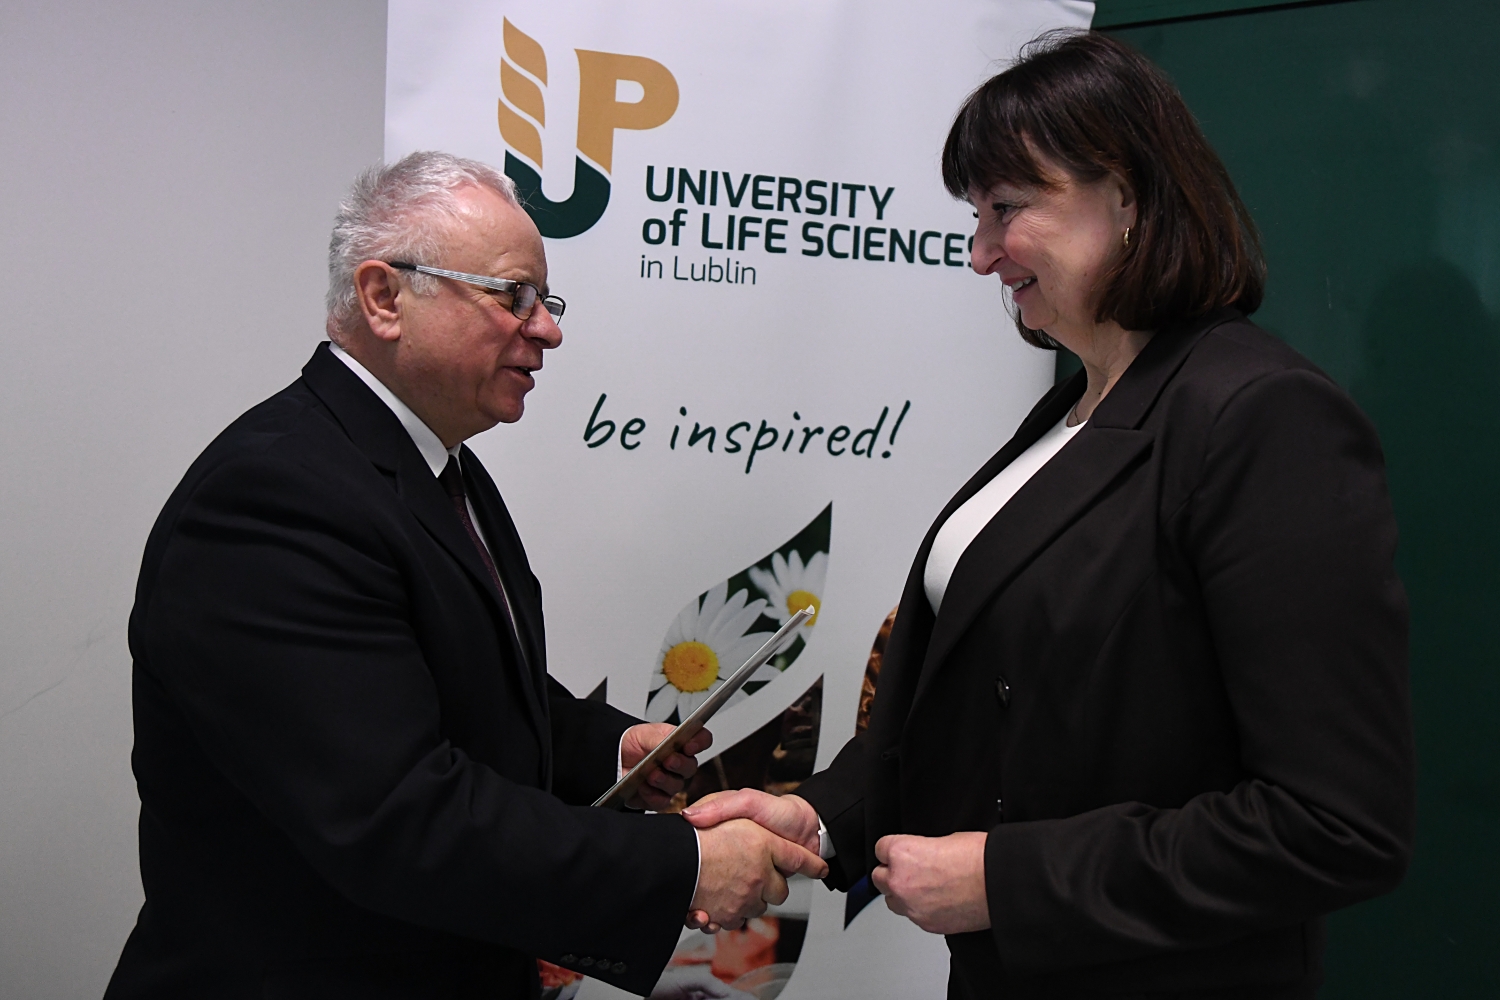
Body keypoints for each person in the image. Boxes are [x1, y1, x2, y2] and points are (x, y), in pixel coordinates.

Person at [682, 31, 1415, 999]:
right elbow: (985, 717)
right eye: (975, 215)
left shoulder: (1263, 417)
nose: (980, 254)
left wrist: (1007, 880)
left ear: (1129, 195)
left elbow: (1336, 823)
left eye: (1007, 209)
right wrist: (819, 820)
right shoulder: (1070, 411)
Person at [105, 151, 825, 1000]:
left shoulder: (434, 463)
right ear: (384, 298)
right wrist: (683, 866)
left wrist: (605, 751)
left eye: (546, 301)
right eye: (513, 295)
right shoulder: (275, 496)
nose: (547, 330)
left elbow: (444, 684)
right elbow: (398, 816)